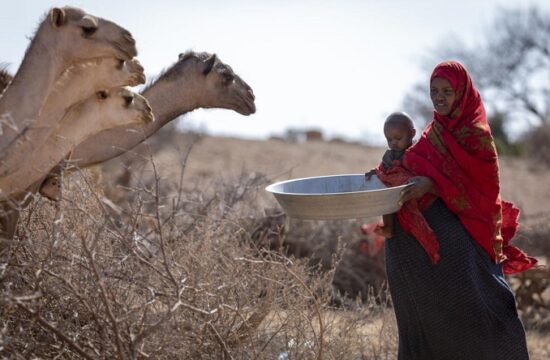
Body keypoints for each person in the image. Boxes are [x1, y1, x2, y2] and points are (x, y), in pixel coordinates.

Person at [384, 60, 537, 359]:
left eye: (447, 91)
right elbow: (406, 164)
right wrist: (386, 168)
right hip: (434, 238)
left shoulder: (476, 135)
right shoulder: (432, 135)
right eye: (434, 91)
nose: (439, 97)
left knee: (484, 304)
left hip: (471, 231)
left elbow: (484, 190)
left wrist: (433, 185)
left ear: (462, 92)